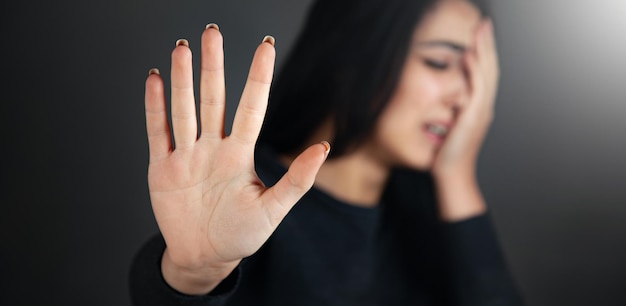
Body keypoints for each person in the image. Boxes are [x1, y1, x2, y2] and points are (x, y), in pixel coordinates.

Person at [130, 0, 524, 305]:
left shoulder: (436, 223)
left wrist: (457, 173)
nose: (465, 99)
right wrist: (195, 275)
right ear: (358, 52)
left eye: (477, 79)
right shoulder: (243, 201)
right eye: (440, 62)